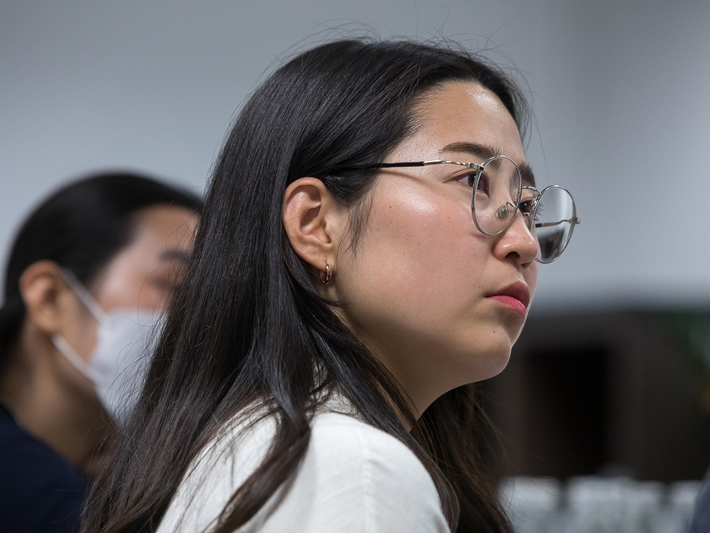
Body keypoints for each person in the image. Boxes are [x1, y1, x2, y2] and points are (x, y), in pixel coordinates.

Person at [82, 38, 579, 533]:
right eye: (474, 181)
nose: (525, 243)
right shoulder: (351, 468)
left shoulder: (276, 448)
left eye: (529, 206)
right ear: (316, 224)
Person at [0, 172, 202, 533]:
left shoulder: (79, 484)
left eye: (211, 301)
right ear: (49, 297)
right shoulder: (4, 481)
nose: (201, 321)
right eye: (176, 286)